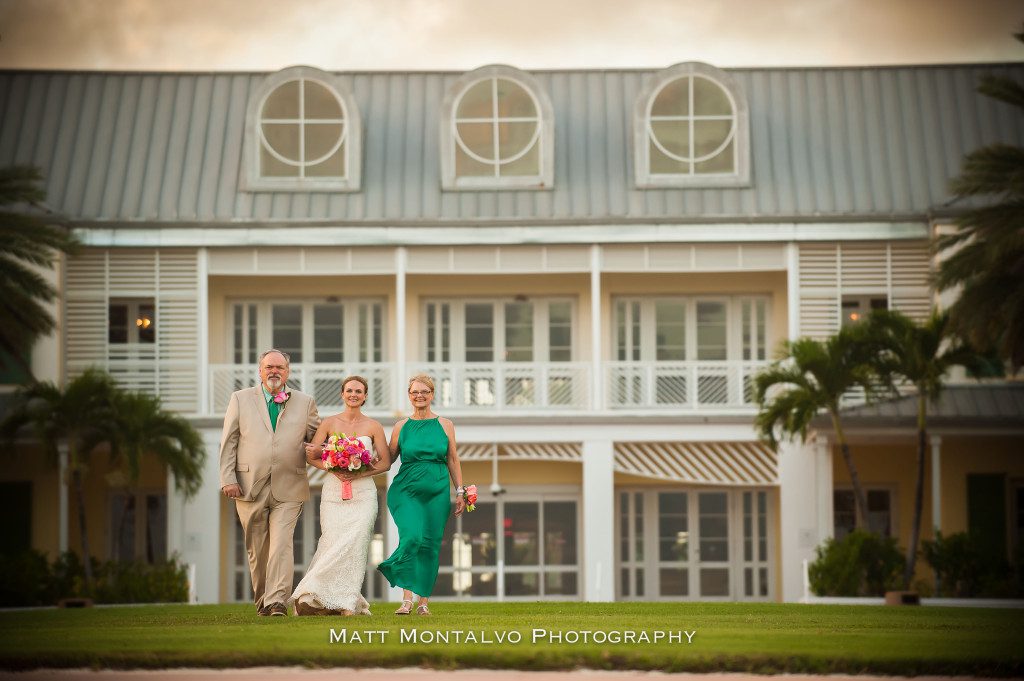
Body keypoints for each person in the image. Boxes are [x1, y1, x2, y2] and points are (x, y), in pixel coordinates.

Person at [218, 349, 319, 617]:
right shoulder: (240, 399)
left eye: (280, 367)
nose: (274, 371)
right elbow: (229, 442)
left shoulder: (305, 401)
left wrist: (330, 453)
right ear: (260, 371)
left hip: (290, 484)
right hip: (248, 484)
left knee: (282, 543)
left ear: (288, 372)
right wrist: (228, 478)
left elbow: (317, 439)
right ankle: (263, 600)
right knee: (257, 549)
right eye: (269, 367)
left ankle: (277, 601)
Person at [291, 375, 389, 616]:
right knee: (332, 542)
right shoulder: (329, 423)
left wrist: (359, 473)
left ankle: (345, 601)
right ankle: (315, 596)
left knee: (355, 544)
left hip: (364, 493)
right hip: (334, 492)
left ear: (365, 396)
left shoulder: (374, 426)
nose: (353, 394)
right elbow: (312, 455)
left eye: (358, 391)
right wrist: (334, 468)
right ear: (342, 394)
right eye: (349, 390)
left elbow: (385, 461)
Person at [377, 374, 465, 615]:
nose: (420, 396)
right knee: (412, 538)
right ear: (409, 395)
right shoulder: (401, 426)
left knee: (430, 546)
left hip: (437, 490)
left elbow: (453, 458)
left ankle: (423, 603)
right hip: (406, 490)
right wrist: (357, 464)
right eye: (415, 392)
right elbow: (388, 458)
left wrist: (460, 491)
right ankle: (406, 599)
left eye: (424, 392)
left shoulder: (446, 424)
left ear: (432, 394)